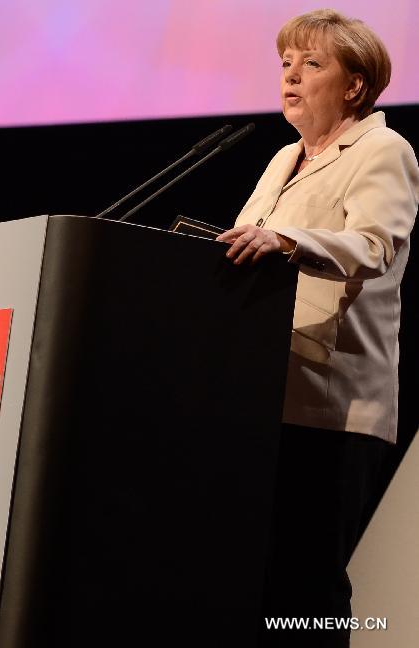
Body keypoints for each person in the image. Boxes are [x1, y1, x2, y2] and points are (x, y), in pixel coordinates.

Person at [216, 9, 419, 647]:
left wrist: (284, 239)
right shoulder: (282, 158)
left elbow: (374, 245)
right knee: (256, 579)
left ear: (354, 86)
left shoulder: (384, 150)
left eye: (311, 64)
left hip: (332, 404)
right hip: (263, 392)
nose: (291, 78)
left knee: (308, 590)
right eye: (285, 65)